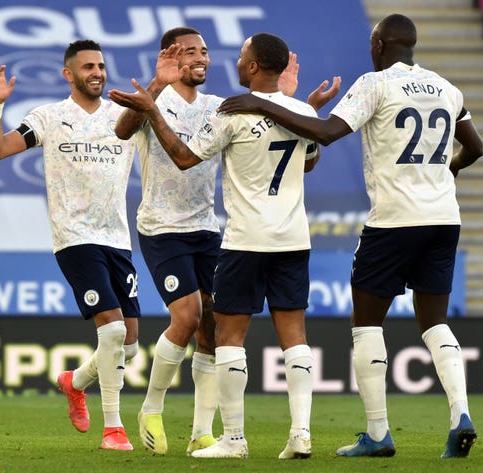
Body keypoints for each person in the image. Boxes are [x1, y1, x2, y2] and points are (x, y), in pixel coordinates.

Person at [218, 14, 483, 459]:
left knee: (366, 324)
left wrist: (263, 105)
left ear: (378, 45)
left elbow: (326, 133)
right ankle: (460, 413)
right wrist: (445, 172)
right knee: (435, 320)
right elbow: (475, 147)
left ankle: (378, 433)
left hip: (394, 220)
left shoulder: (375, 84)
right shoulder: (446, 87)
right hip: (443, 217)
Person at [109, 32, 340, 460]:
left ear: (252, 66)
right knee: (285, 333)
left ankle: (224, 436)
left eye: (216, 54)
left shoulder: (227, 109)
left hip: (238, 238)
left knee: (224, 333)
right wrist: (298, 107)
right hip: (265, 236)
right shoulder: (298, 111)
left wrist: (153, 112)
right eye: (192, 51)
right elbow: (308, 160)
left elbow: (183, 156)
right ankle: (299, 433)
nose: (208, 59)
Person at [0, 39, 141, 451]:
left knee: (130, 347)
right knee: (112, 333)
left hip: (118, 239)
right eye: (88, 66)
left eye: (101, 66)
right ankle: (114, 429)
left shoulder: (124, 117)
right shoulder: (50, 117)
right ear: (68, 74)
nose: (97, 73)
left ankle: (75, 382)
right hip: (74, 237)